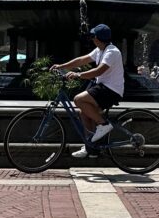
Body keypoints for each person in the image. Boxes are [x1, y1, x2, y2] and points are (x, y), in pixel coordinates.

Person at [50, 24, 124, 159]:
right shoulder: (100, 50)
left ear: (98, 38)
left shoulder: (112, 52)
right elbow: (81, 60)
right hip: (103, 87)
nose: (92, 39)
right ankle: (91, 147)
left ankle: (104, 124)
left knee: (78, 99)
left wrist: (78, 75)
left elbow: (99, 71)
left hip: (111, 90)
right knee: (83, 112)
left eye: (93, 36)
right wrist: (62, 66)